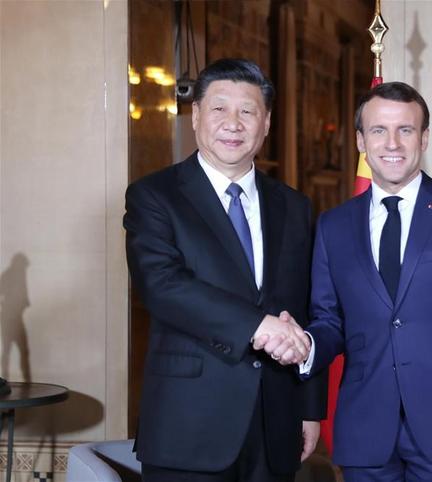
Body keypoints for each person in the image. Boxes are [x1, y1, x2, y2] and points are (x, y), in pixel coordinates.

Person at [278, 82, 432, 482]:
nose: (391, 143)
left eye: (405, 130)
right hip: (366, 433)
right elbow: (329, 320)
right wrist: (306, 345)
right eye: (378, 130)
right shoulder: (333, 226)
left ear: (424, 138)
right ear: (361, 140)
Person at [123, 58, 326, 482]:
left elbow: (307, 306)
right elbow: (162, 287)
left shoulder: (293, 205)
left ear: (266, 123)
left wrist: (309, 409)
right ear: (195, 115)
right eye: (219, 109)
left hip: (275, 423)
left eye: (247, 111)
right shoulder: (155, 196)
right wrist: (260, 326)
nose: (233, 123)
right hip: (188, 425)